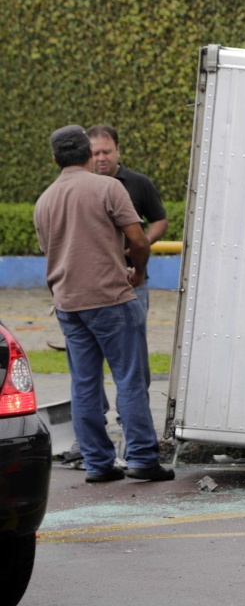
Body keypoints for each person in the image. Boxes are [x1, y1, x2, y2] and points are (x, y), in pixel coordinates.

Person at [33, 125, 175, 481]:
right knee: (128, 379)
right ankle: (142, 459)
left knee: (84, 384)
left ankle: (97, 464)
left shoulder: (44, 201)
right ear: (87, 154)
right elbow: (139, 240)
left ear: (54, 159)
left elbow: (48, 251)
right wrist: (138, 272)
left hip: (68, 304)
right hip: (111, 298)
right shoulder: (108, 188)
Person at [87, 124, 168, 318]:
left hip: (131, 279)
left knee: (134, 343)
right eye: (95, 153)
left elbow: (160, 220)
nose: (101, 158)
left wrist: (142, 242)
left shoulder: (139, 183)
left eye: (107, 151)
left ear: (118, 150)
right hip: (89, 281)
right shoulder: (81, 185)